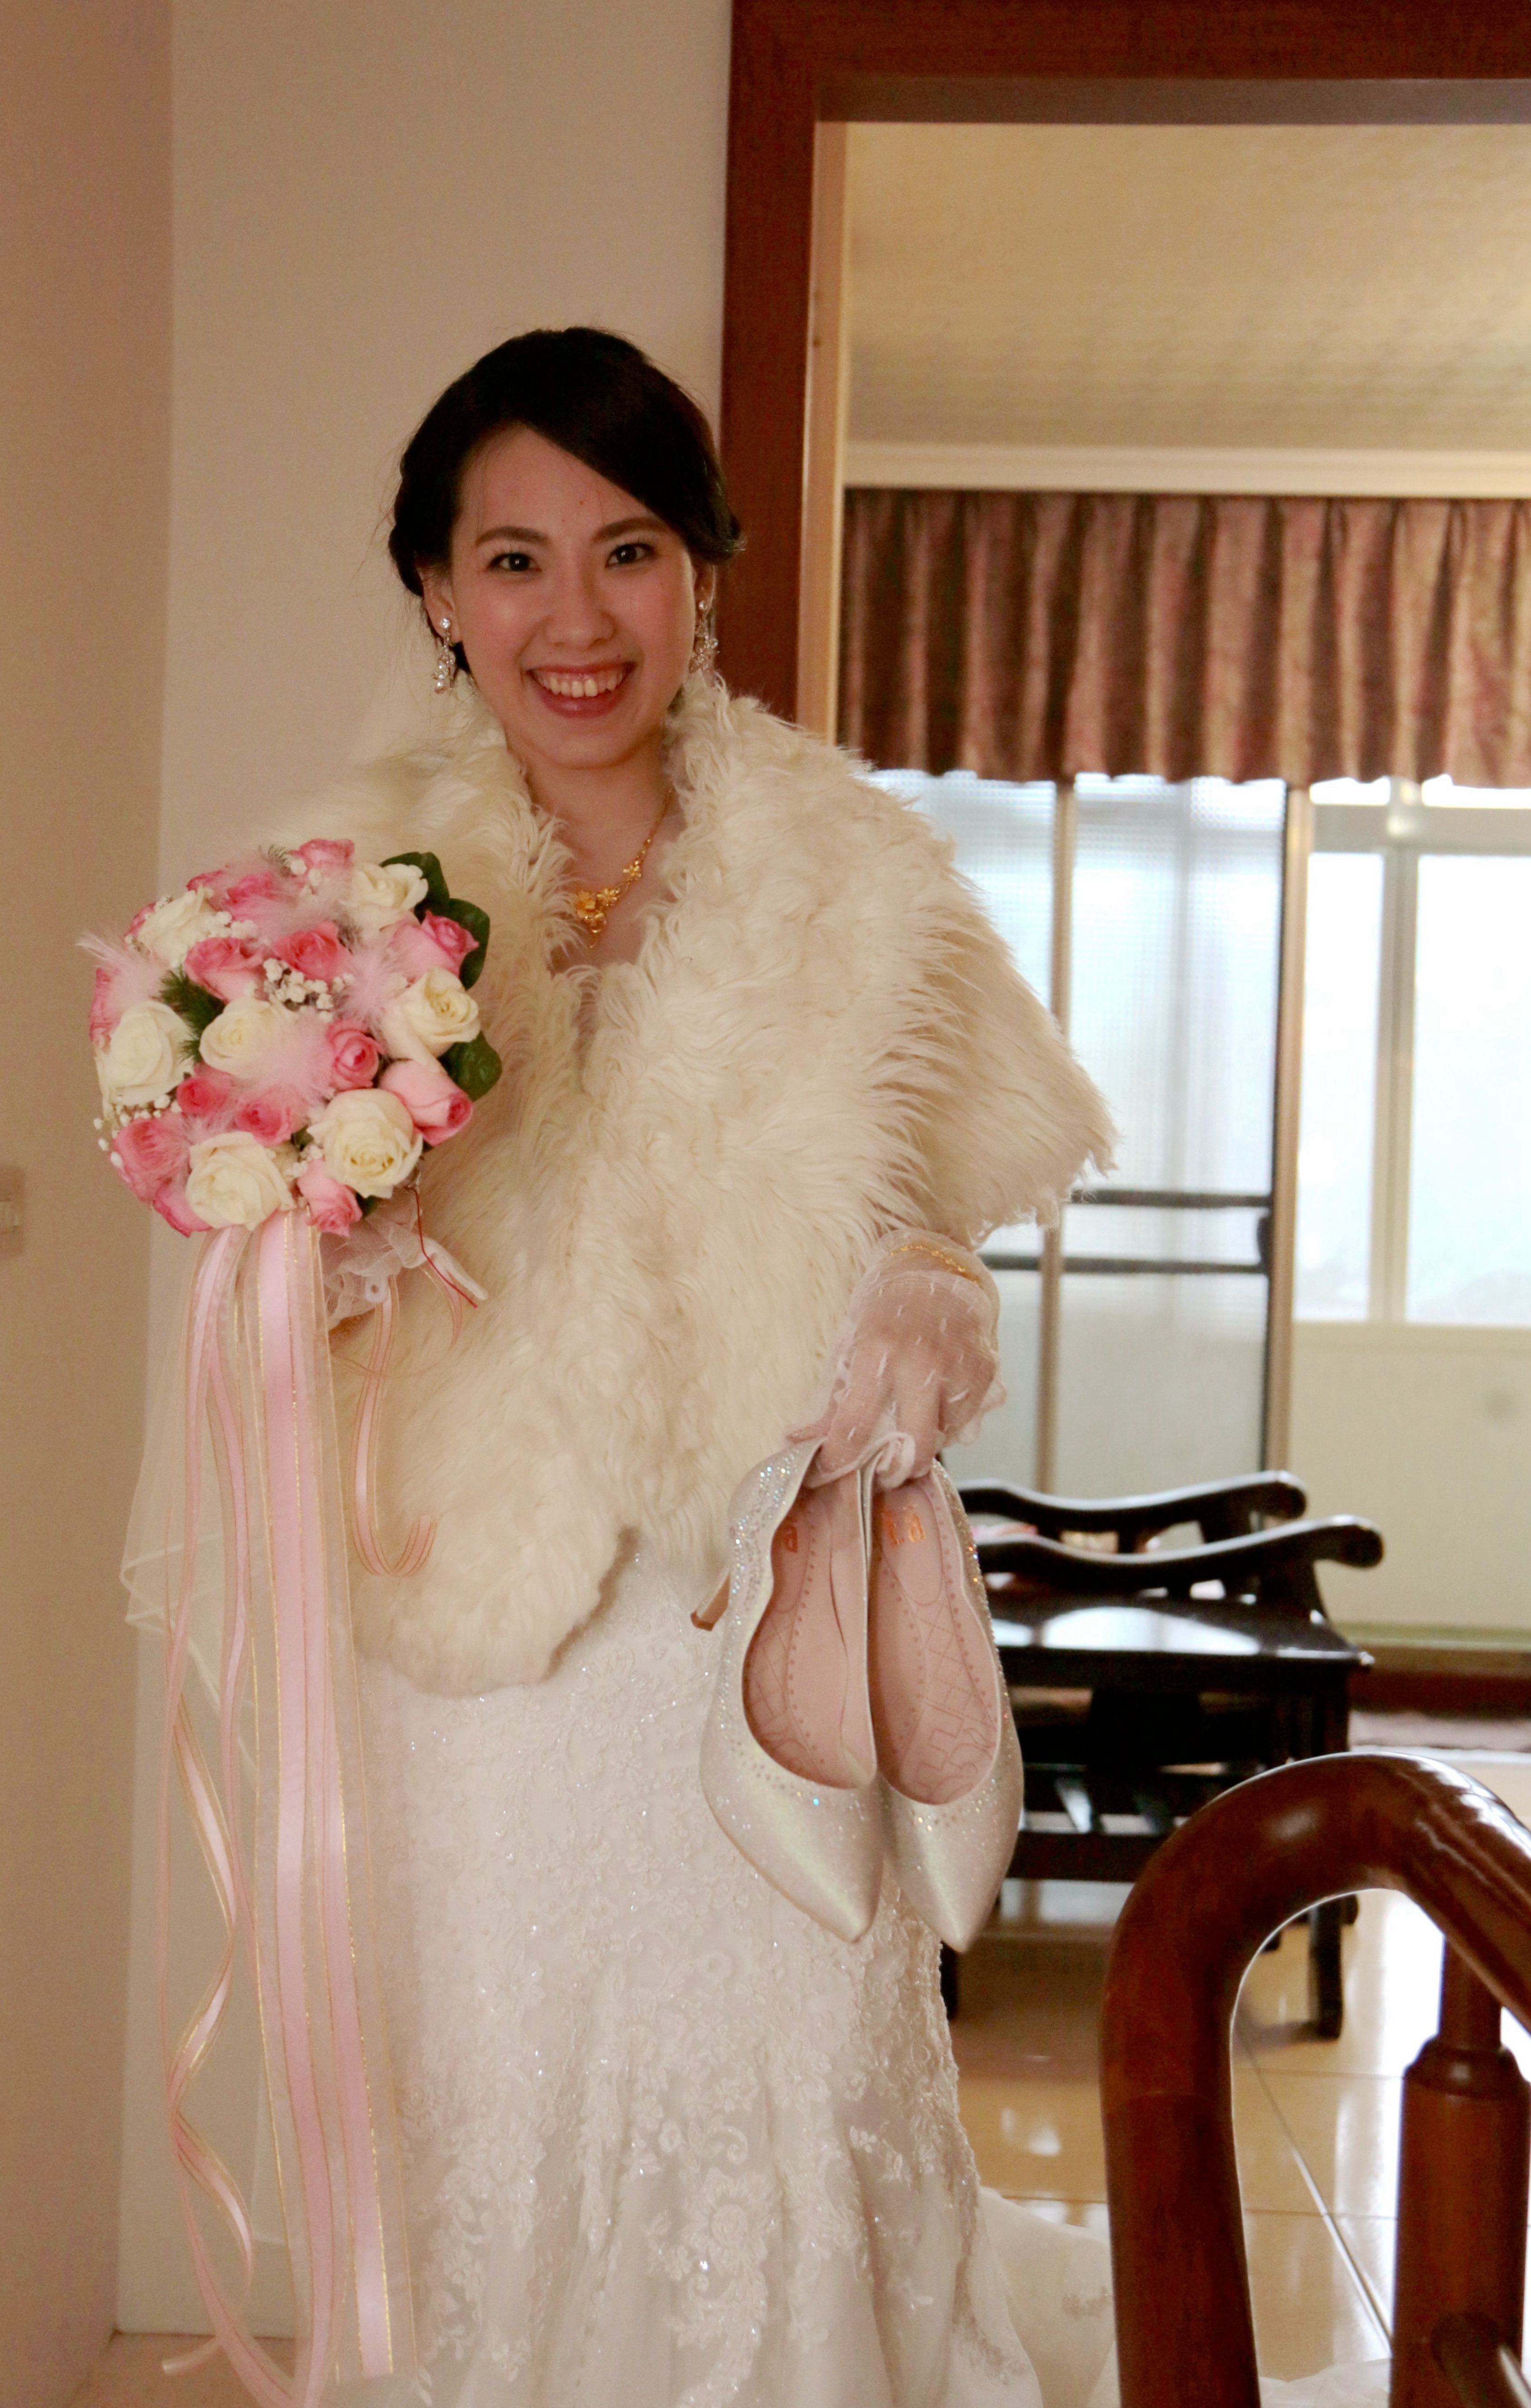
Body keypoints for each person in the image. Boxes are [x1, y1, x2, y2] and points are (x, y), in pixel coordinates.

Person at [270, 329, 1382, 2408]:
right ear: (436, 588)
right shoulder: (343, 905)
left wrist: (938, 1285)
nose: (576, 618)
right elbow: (280, 1275)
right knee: (496, 2102)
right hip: (478, 1631)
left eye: (630, 549)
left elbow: (933, 1213)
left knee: (782, 2104)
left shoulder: (857, 884)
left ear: (705, 570)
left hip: (753, 1630)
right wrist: (322, 1243)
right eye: (514, 559)